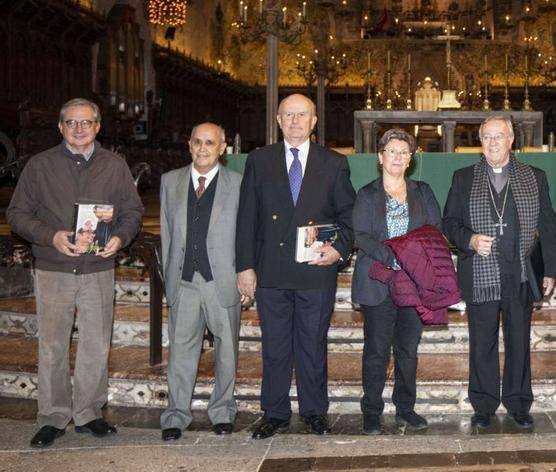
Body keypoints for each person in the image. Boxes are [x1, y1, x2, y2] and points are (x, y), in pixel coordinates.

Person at [7, 98, 144, 448]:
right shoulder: (40, 166)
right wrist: (49, 235)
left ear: (98, 126)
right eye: (72, 123)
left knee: (96, 343)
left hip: (98, 268)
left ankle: (89, 412)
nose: (79, 129)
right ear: (61, 127)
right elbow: (17, 214)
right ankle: (52, 416)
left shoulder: (114, 166)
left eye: (86, 122)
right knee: (52, 345)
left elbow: (132, 211)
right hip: (54, 268)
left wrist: (120, 237)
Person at [236, 93, 356, 438]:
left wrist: (339, 250)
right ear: (278, 120)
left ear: (314, 121)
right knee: (274, 345)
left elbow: (349, 216)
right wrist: (244, 266)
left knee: (312, 343)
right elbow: (247, 218)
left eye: (301, 115)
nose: (294, 121)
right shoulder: (259, 160)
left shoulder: (333, 162)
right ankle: (273, 412)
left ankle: (314, 410)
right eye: (288, 115)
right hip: (271, 270)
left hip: (315, 269)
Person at [442, 116, 556, 429]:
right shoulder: (463, 177)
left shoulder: (534, 176)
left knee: (519, 341)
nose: (493, 143)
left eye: (499, 137)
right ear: (480, 142)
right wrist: (469, 239)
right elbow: (450, 222)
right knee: (482, 341)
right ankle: (483, 405)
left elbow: (547, 225)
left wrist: (550, 269)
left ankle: (519, 403)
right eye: (487, 137)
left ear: (511, 140)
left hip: (519, 271)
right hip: (480, 272)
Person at [352, 129, 442, 435]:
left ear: (411, 159)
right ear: (380, 157)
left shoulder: (423, 191)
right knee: (376, 349)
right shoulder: (367, 194)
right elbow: (361, 235)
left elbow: (434, 229)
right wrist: (394, 256)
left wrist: (413, 259)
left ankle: (406, 408)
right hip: (378, 281)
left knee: (407, 349)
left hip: (414, 284)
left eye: (404, 152)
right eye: (392, 151)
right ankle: (372, 411)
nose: (398, 157)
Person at [159, 123, 245, 441]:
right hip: (183, 280)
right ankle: (176, 414)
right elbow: (168, 233)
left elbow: (247, 234)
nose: (203, 148)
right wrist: (169, 276)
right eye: (198, 142)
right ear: (189, 145)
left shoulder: (238, 183)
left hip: (221, 279)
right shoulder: (170, 182)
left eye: (211, 142)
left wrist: (245, 273)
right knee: (181, 349)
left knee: (227, 350)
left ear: (223, 148)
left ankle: (222, 411)